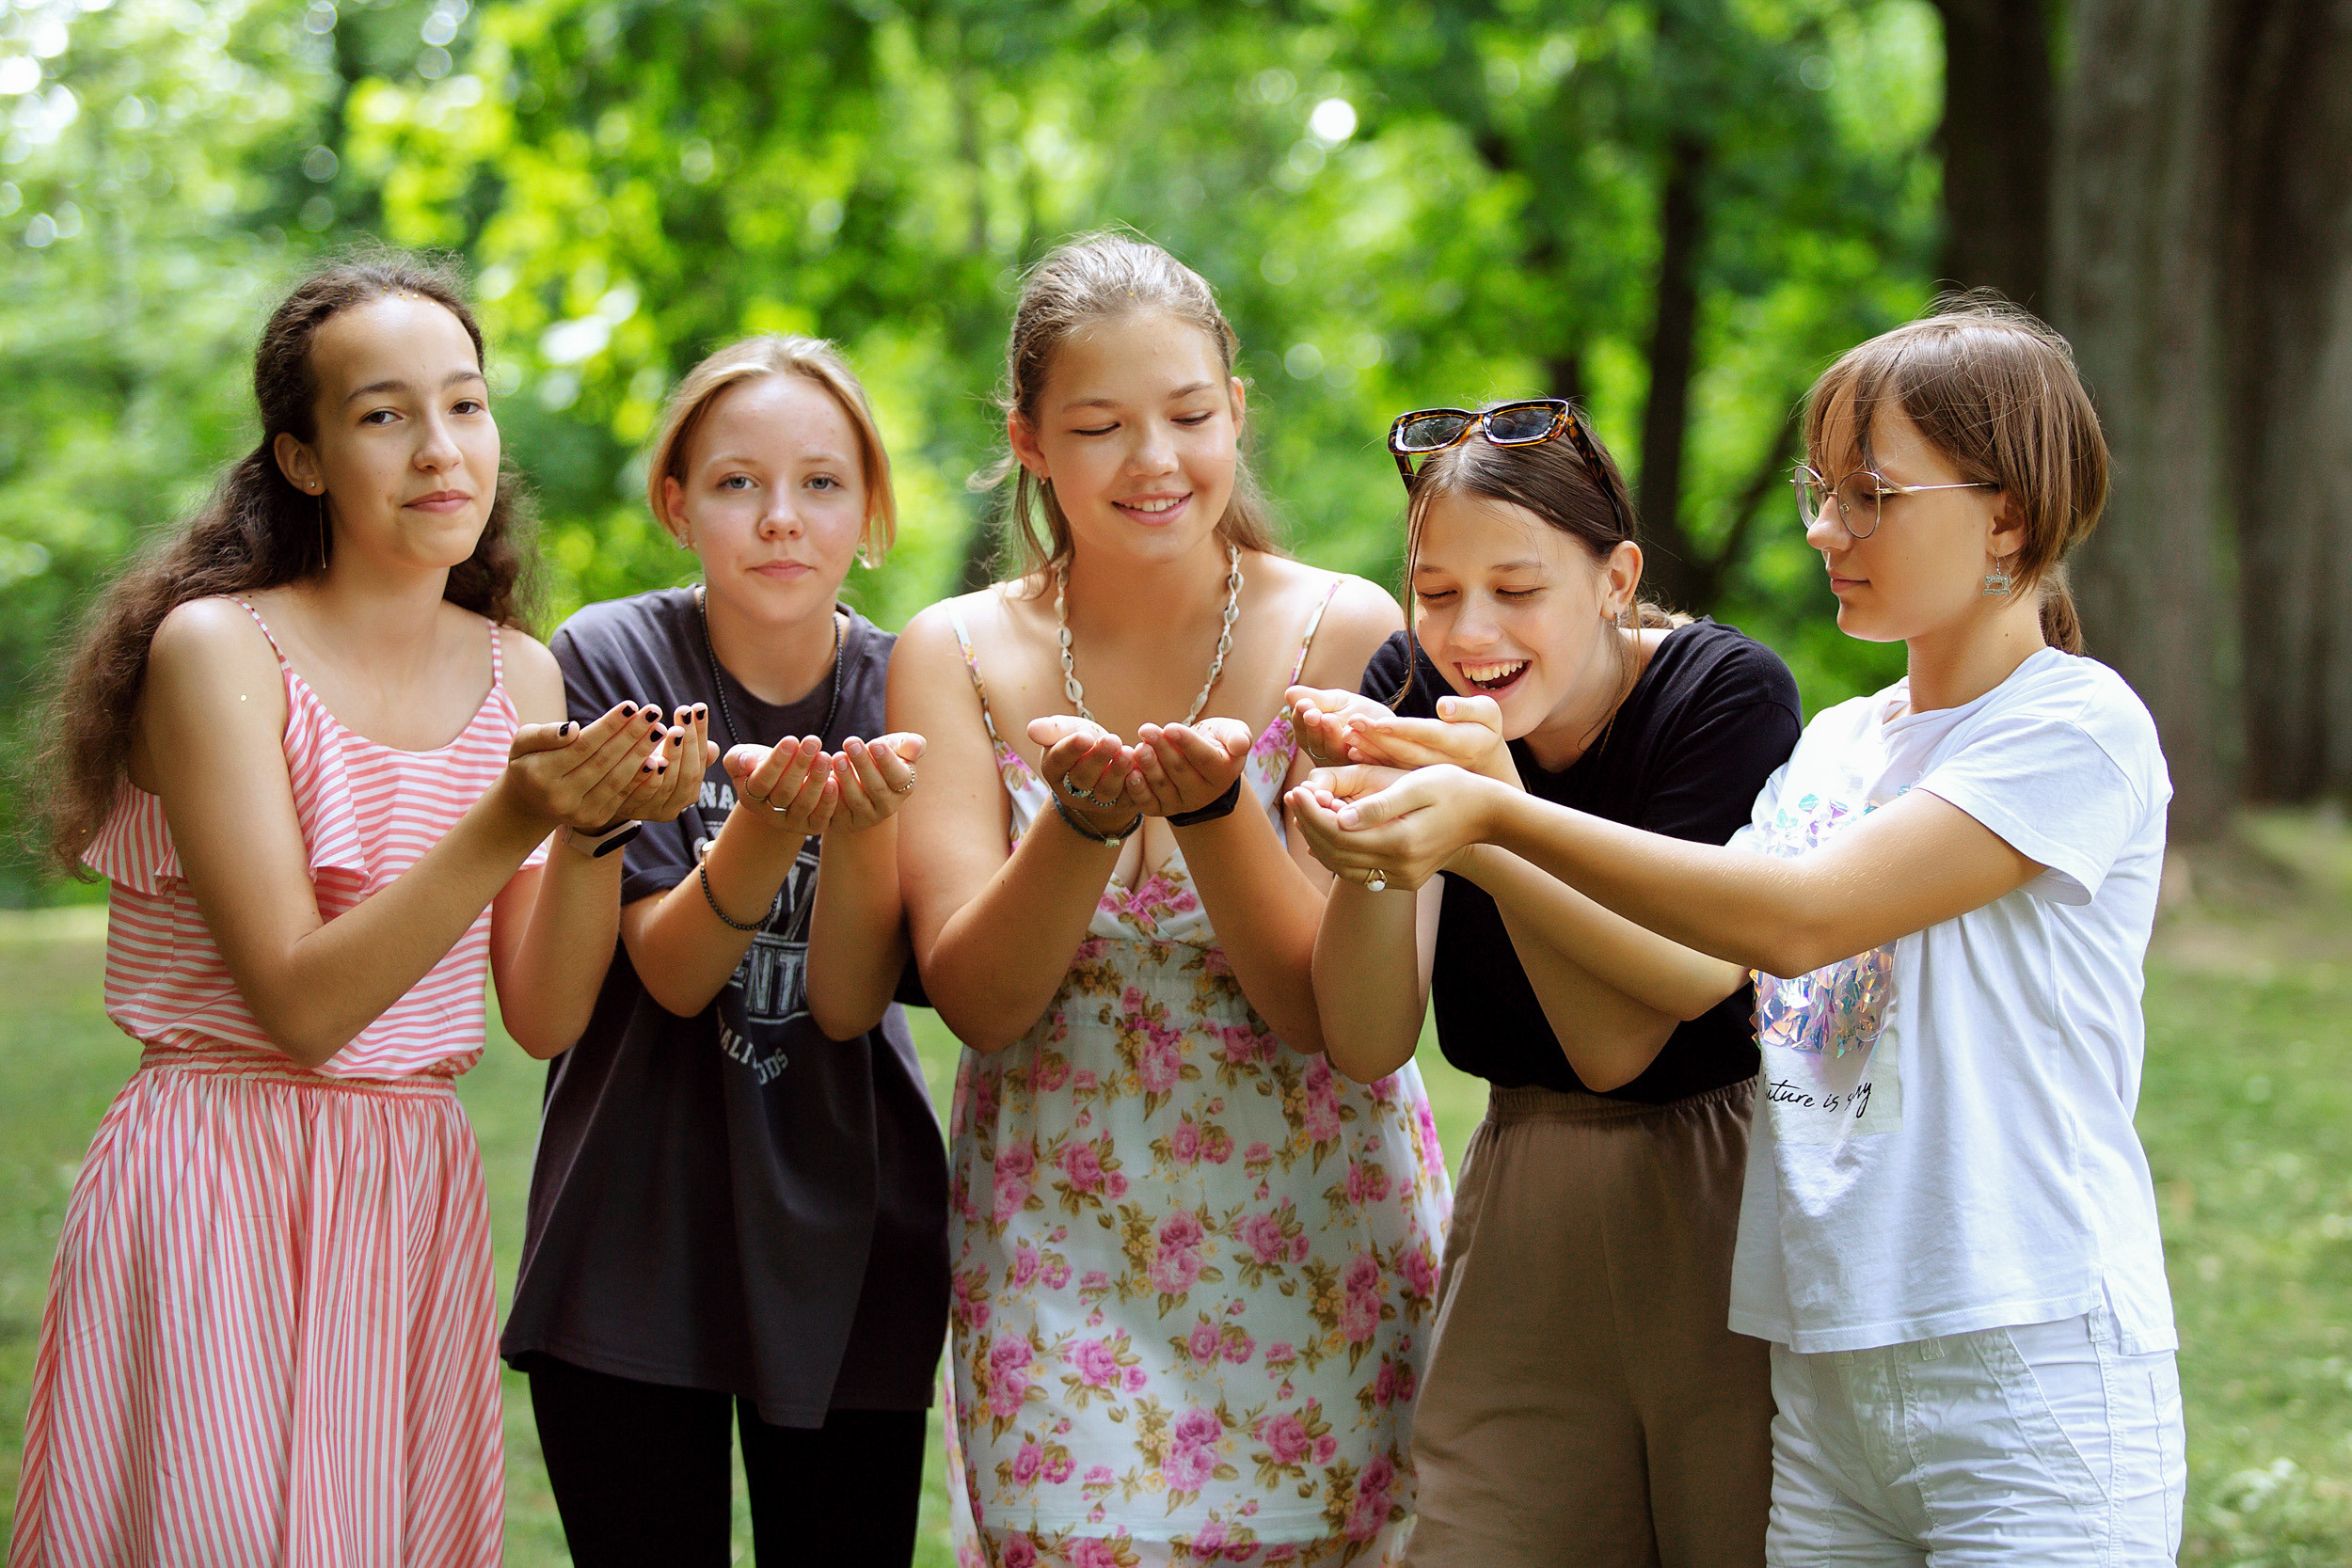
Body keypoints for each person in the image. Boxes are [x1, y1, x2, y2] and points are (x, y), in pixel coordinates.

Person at [1295, 296, 2185, 1564]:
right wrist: (1426, 827)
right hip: (1826, 1363)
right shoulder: (1840, 741)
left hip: (2024, 1359)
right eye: (1823, 490)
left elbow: (1800, 920)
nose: (1828, 526)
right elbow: (1697, 963)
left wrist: (1490, 814)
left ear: (2011, 515)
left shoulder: (2072, 726)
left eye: (1873, 495)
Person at [9, 254, 702, 1566]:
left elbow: (547, 1014)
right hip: (216, 1173)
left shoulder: (520, 670)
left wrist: (604, 820)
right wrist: (510, 818)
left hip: (406, 1188)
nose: (442, 449)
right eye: (385, 414)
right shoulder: (219, 650)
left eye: (466, 403)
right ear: (305, 456)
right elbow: (303, 1003)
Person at [890, 232, 1452, 1565]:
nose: (1155, 460)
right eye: (1100, 425)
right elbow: (980, 998)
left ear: (1237, 412)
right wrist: (1080, 827)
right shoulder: (954, 651)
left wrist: (1208, 816)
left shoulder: (1346, 629)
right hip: (1057, 1236)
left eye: (1190, 415)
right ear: (1029, 439)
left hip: (1318, 1223)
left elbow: (1329, 1006)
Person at [1282, 397, 1800, 1565]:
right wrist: (1368, 847)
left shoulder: (1723, 695)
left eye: (1517, 591)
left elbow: (1623, 1044)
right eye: (1435, 589)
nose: (1467, 633)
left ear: (1615, 577)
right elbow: (1365, 1037)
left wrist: (1483, 820)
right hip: (1522, 1188)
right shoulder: (1405, 685)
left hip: (1724, 1187)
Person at [498, 335, 949, 1568]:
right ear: (675, 502)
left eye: (821, 483)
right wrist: (767, 820)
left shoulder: (914, 679)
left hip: (851, 1223)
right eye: (737, 482)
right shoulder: (611, 658)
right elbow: (671, 968)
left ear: (870, 512)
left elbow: (854, 1000)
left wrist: (837, 829)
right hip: (635, 1217)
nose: (780, 518)